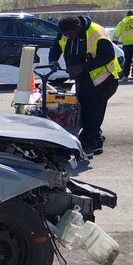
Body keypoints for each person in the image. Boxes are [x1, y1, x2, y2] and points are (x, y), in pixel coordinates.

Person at [49, 15, 121, 157]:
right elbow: (56, 47)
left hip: (104, 79)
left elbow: (108, 56)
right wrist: (53, 60)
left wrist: (82, 67)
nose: (67, 37)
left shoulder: (96, 34)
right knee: (85, 110)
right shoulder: (65, 32)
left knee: (93, 112)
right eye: (65, 34)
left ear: (78, 28)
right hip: (84, 79)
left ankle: (90, 144)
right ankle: (96, 138)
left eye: (70, 34)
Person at [112, 9, 133, 81]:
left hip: (127, 44)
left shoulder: (123, 22)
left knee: (127, 60)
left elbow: (117, 33)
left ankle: (125, 76)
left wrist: (115, 41)